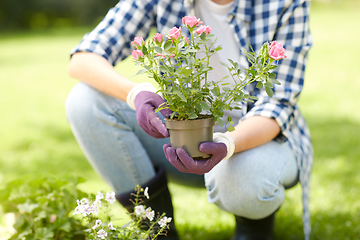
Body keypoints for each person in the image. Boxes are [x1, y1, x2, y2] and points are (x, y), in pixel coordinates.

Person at [65, 0, 313, 239]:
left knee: (245, 181)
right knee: (85, 101)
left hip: (258, 142)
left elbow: (278, 104)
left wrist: (227, 144)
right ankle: (159, 232)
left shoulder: (285, 2)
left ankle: (253, 230)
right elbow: (84, 57)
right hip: (182, 141)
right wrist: (136, 94)